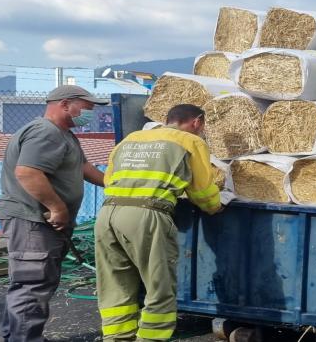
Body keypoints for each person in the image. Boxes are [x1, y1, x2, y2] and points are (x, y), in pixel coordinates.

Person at [95, 104, 225, 341]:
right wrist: (215, 206)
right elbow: (202, 191)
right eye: (203, 126)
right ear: (196, 122)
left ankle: (116, 338)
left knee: (115, 286)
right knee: (159, 288)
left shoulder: (131, 139)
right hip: (147, 214)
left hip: (107, 215)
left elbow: (108, 178)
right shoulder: (190, 141)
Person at [0, 84, 108, 342]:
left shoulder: (64, 134)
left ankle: (19, 336)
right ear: (65, 104)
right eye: (87, 107)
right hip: (32, 221)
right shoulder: (46, 132)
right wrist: (57, 208)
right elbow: (28, 172)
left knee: (31, 285)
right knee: (32, 285)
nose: (90, 113)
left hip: (39, 223)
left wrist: (117, 182)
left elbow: (83, 167)